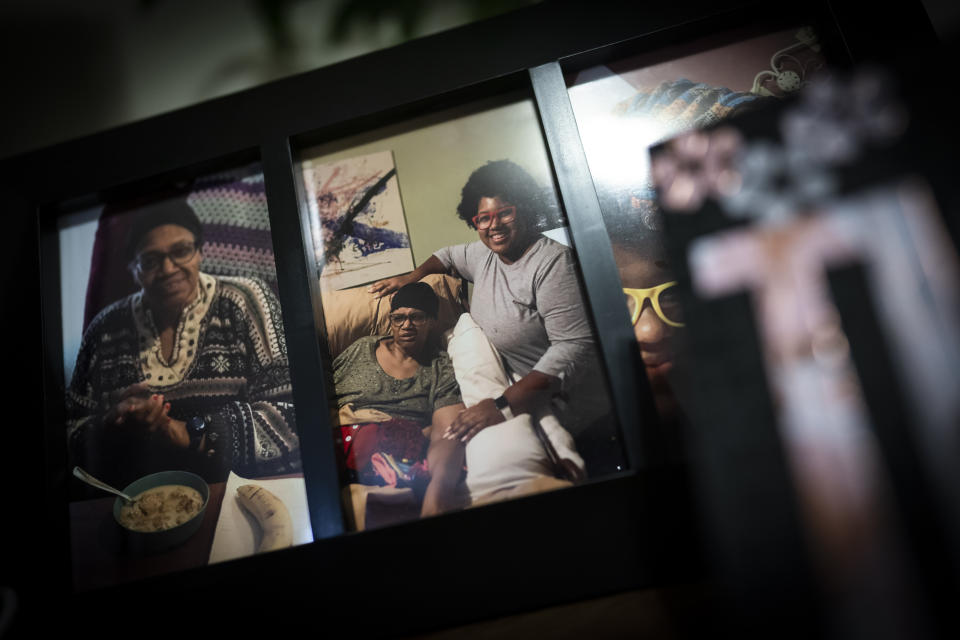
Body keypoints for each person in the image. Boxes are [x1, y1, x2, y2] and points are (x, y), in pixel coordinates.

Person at [368, 159, 605, 452]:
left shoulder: (555, 264)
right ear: (473, 221)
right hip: (515, 395)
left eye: (505, 213)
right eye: (483, 218)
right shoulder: (484, 255)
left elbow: (573, 348)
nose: (494, 226)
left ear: (525, 209)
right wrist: (412, 276)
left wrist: (500, 407)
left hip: (572, 412)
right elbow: (447, 256)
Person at [66, 199, 300, 492]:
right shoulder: (105, 329)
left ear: (200, 251)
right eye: (150, 260)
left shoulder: (246, 301)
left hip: (238, 493)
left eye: (181, 251)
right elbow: (71, 429)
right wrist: (113, 426)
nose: (167, 269)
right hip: (136, 501)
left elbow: (294, 413)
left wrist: (188, 433)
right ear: (133, 269)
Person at [332, 282, 466, 517]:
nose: (406, 325)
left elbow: (446, 427)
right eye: (399, 318)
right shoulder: (362, 349)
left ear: (432, 321)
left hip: (395, 451)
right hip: (342, 436)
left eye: (417, 317)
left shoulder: (439, 366)